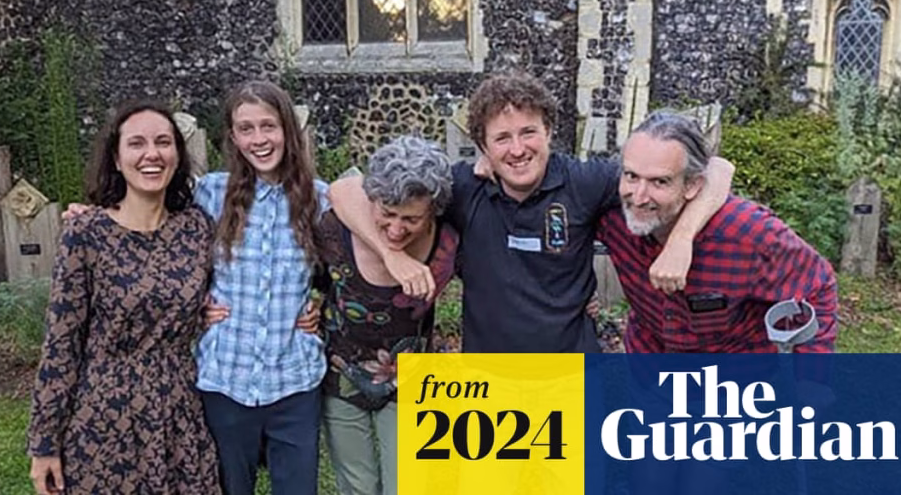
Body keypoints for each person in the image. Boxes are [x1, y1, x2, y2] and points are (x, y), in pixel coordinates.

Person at [329, 72, 735, 353]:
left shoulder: (583, 182)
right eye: (502, 138)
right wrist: (392, 255)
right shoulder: (463, 186)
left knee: (582, 461)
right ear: (483, 146)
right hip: (489, 383)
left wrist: (681, 240)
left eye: (528, 133)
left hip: (572, 376)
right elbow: (344, 190)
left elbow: (718, 169)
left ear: (549, 132)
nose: (518, 149)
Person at [27, 99, 221, 494]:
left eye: (163, 142)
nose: (152, 154)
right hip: (105, 416)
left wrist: (310, 306)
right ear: (116, 159)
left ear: (177, 156)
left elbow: (233, 283)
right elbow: (61, 343)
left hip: (178, 409)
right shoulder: (86, 233)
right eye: (136, 143)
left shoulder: (197, 228)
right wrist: (44, 443)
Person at [597, 110, 837, 353]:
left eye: (660, 182)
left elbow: (817, 286)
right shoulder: (612, 215)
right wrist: (579, 292)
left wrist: (809, 372)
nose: (639, 197)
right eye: (631, 176)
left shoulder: (747, 233)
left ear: (692, 185)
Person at [194, 81, 328, 495]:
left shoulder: (320, 199)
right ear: (233, 137)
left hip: (294, 380)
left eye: (268, 126)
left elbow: (353, 264)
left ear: (287, 130)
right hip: (226, 377)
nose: (259, 139)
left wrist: (323, 305)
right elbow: (153, 234)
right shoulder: (209, 193)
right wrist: (192, 305)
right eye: (246, 128)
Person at [315, 135, 459, 495]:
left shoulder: (448, 241)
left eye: (412, 219)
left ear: (433, 211)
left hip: (410, 380)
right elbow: (304, 279)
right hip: (341, 378)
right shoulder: (334, 229)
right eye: (387, 214)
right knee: (358, 487)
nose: (396, 229)